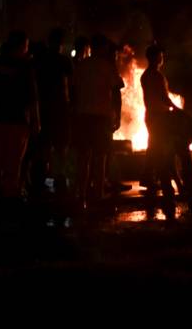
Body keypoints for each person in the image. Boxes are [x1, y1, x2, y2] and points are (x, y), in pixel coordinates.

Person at [71, 35, 123, 211]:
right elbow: (117, 93)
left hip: (83, 116)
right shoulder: (107, 67)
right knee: (100, 157)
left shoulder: (81, 66)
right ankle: (98, 195)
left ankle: (81, 194)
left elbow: (73, 91)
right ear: (101, 48)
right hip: (102, 117)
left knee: (83, 157)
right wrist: (118, 115)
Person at [0, 31, 40, 201]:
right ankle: (10, 193)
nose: (27, 49)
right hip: (18, 119)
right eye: (25, 46)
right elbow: (32, 97)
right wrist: (36, 121)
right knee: (14, 158)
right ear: (20, 47)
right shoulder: (25, 66)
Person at [31, 28, 72, 197]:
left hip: (44, 109)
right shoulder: (63, 61)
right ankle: (59, 177)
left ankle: (40, 178)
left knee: (44, 145)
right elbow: (71, 84)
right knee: (60, 146)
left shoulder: (39, 60)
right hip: (59, 109)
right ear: (60, 44)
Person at [141, 44, 181, 220]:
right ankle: (156, 177)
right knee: (159, 147)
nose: (162, 57)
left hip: (151, 114)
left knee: (153, 145)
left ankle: (148, 177)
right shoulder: (155, 75)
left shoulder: (146, 75)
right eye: (161, 55)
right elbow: (162, 97)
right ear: (156, 57)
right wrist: (175, 108)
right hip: (158, 115)